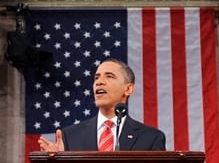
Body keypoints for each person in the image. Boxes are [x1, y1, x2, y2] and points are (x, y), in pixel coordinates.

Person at [38, 58, 166, 152]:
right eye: (96, 78)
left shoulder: (151, 138)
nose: (99, 82)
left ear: (128, 89)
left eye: (109, 76)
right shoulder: (70, 136)